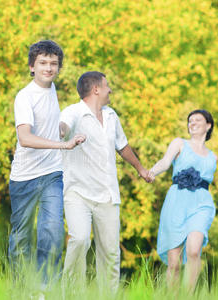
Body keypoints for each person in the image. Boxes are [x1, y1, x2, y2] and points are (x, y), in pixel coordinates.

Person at [60, 71, 151, 292]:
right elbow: (62, 127)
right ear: (96, 89)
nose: (110, 90)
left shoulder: (111, 115)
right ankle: (71, 294)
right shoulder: (73, 112)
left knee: (111, 252)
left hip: (108, 194)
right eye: (107, 86)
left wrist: (140, 169)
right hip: (77, 193)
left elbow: (122, 146)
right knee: (80, 240)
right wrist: (62, 134)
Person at [8, 40, 85, 284]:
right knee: (21, 237)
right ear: (32, 67)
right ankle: (21, 288)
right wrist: (63, 145)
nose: (48, 68)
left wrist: (61, 128)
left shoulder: (52, 91)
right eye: (42, 63)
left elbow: (49, 125)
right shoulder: (24, 97)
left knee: (51, 232)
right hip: (24, 177)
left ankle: (45, 290)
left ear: (59, 68)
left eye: (53, 64)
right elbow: (25, 137)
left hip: (53, 173)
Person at [149, 109, 217, 292]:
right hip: (177, 202)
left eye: (197, 120)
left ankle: (188, 295)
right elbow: (164, 162)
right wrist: (151, 172)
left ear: (208, 125)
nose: (192, 123)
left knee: (194, 250)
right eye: (190, 121)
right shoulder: (179, 143)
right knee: (174, 263)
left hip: (201, 204)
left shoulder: (213, 157)